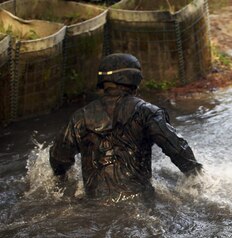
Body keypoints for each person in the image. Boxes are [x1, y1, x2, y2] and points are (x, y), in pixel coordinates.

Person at [49, 53, 202, 200]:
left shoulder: (80, 117)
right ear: (134, 80)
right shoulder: (148, 112)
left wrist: (62, 180)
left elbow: (58, 158)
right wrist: (197, 177)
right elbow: (178, 150)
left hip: (94, 206)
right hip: (139, 204)